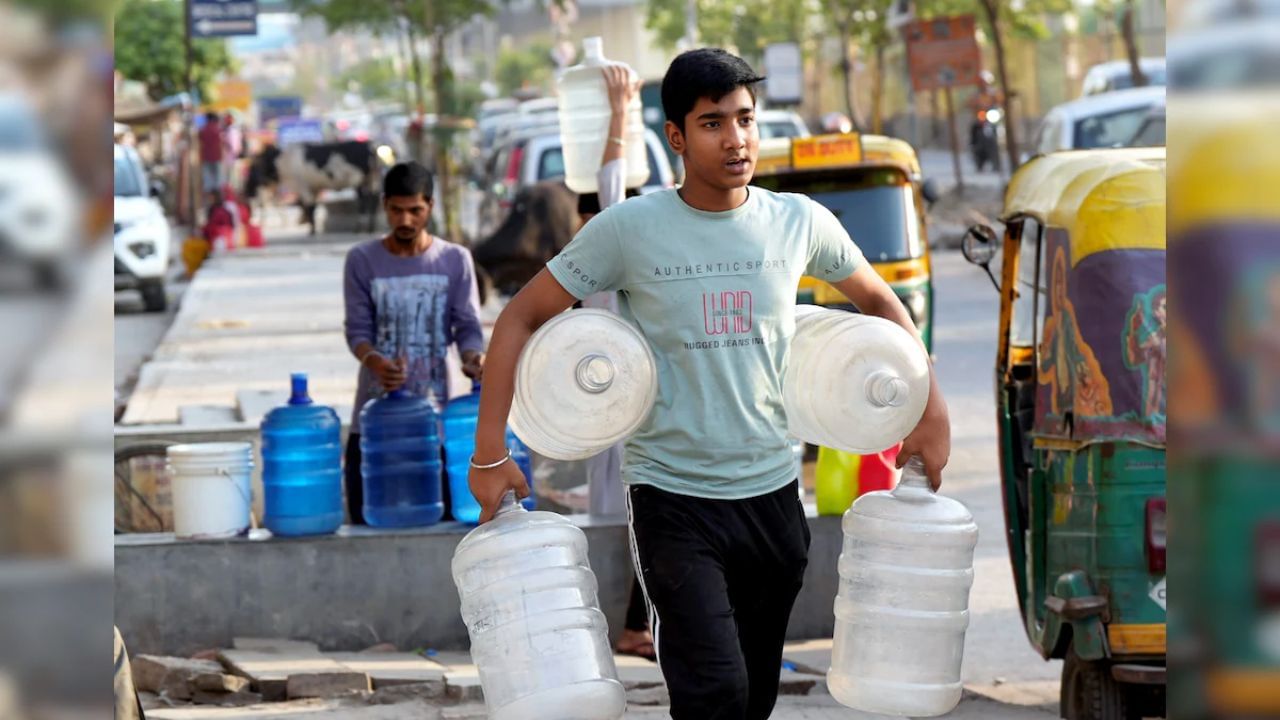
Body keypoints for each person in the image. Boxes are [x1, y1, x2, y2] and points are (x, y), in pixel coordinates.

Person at [468, 48, 951, 719]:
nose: (736, 139)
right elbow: (520, 316)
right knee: (714, 693)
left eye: (746, 120)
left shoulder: (797, 221)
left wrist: (930, 407)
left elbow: (882, 304)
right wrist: (490, 448)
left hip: (774, 500)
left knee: (750, 701)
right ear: (676, 136)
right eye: (713, 123)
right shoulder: (630, 231)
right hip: (674, 500)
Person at [343, 162, 486, 524]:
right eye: (396, 210)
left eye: (415, 211)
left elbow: (467, 326)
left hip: (436, 423)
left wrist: (473, 357)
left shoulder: (455, 260)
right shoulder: (362, 261)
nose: (405, 220)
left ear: (430, 207)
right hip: (375, 422)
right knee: (370, 521)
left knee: (441, 524)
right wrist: (377, 363)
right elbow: (357, 332)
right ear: (384, 205)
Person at [577, 64, 654, 662]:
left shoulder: (594, 268)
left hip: (617, 416)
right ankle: (633, 629)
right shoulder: (596, 263)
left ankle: (634, 626)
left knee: (639, 525)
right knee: (645, 524)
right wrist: (620, 113)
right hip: (619, 419)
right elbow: (611, 186)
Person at [197, 111, 224, 197]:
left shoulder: (203, 129)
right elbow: (221, 143)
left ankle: (208, 196)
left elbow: (200, 141)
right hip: (216, 156)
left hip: (206, 156)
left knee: (207, 179)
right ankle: (217, 196)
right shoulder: (217, 129)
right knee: (217, 179)